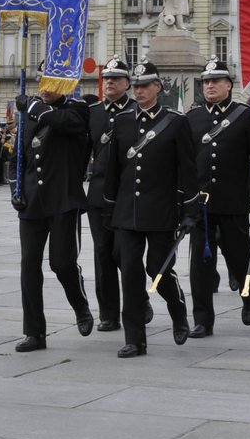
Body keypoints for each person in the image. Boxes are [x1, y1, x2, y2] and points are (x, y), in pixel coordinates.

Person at [99, 61, 196, 357]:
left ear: (158, 88)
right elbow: (113, 169)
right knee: (129, 272)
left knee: (159, 270)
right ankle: (134, 339)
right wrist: (109, 207)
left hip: (161, 209)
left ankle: (177, 308)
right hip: (128, 211)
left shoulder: (175, 122)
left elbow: (187, 170)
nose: (140, 91)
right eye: (136, 85)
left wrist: (190, 209)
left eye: (145, 86)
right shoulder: (123, 121)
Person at [184, 60, 250, 338]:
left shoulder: (244, 116)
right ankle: (202, 320)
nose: (209, 86)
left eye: (216, 81)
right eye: (206, 82)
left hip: (233, 201)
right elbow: (185, 163)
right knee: (200, 265)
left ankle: (249, 294)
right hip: (202, 206)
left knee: (238, 257)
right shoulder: (193, 118)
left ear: (228, 85)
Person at [11, 85, 95, 352]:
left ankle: (80, 306)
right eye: (42, 83)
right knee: (29, 266)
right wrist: (16, 188)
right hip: (33, 202)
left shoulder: (77, 109)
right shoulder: (29, 116)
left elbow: (68, 124)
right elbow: (19, 157)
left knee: (61, 263)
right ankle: (34, 332)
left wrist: (33, 107)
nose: (45, 89)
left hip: (63, 199)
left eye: (52, 84)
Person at [84, 57, 134, 331]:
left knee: (124, 253)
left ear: (127, 83)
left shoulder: (137, 111)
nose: (110, 82)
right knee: (102, 253)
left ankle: (136, 304)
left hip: (128, 194)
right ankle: (109, 313)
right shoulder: (93, 112)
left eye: (116, 78)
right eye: (107, 78)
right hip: (99, 193)